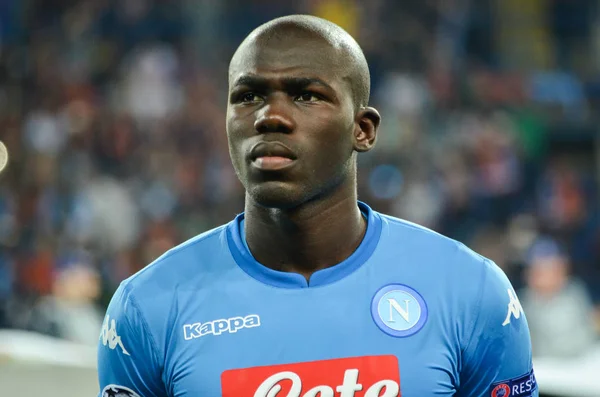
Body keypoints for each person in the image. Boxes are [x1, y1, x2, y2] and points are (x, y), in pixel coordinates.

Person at [97, 15, 537, 397]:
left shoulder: (470, 293)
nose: (270, 116)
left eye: (306, 95)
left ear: (362, 129)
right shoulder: (148, 309)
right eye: (248, 96)